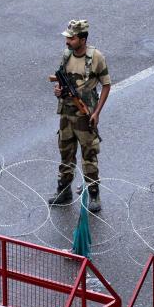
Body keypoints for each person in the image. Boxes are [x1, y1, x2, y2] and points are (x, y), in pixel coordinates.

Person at [48, 19, 111, 213]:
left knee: (89, 156)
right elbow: (60, 79)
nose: (68, 41)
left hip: (85, 115)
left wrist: (97, 113)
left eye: (72, 38)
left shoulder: (96, 57)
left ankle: (93, 194)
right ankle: (64, 190)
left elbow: (106, 85)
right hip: (66, 114)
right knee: (65, 154)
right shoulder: (67, 55)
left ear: (82, 39)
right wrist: (58, 90)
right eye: (67, 37)